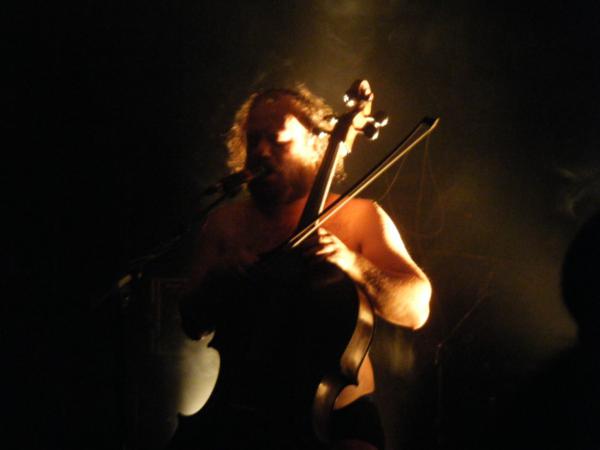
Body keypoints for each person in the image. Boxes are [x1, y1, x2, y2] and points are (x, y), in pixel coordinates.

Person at [175, 82, 432, 450]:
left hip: (333, 422)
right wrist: (218, 279)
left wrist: (353, 263)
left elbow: (416, 309)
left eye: (277, 140)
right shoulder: (224, 224)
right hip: (238, 416)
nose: (261, 151)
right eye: (254, 139)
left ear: (316, 144)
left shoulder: (358, 216)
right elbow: (191, 322)